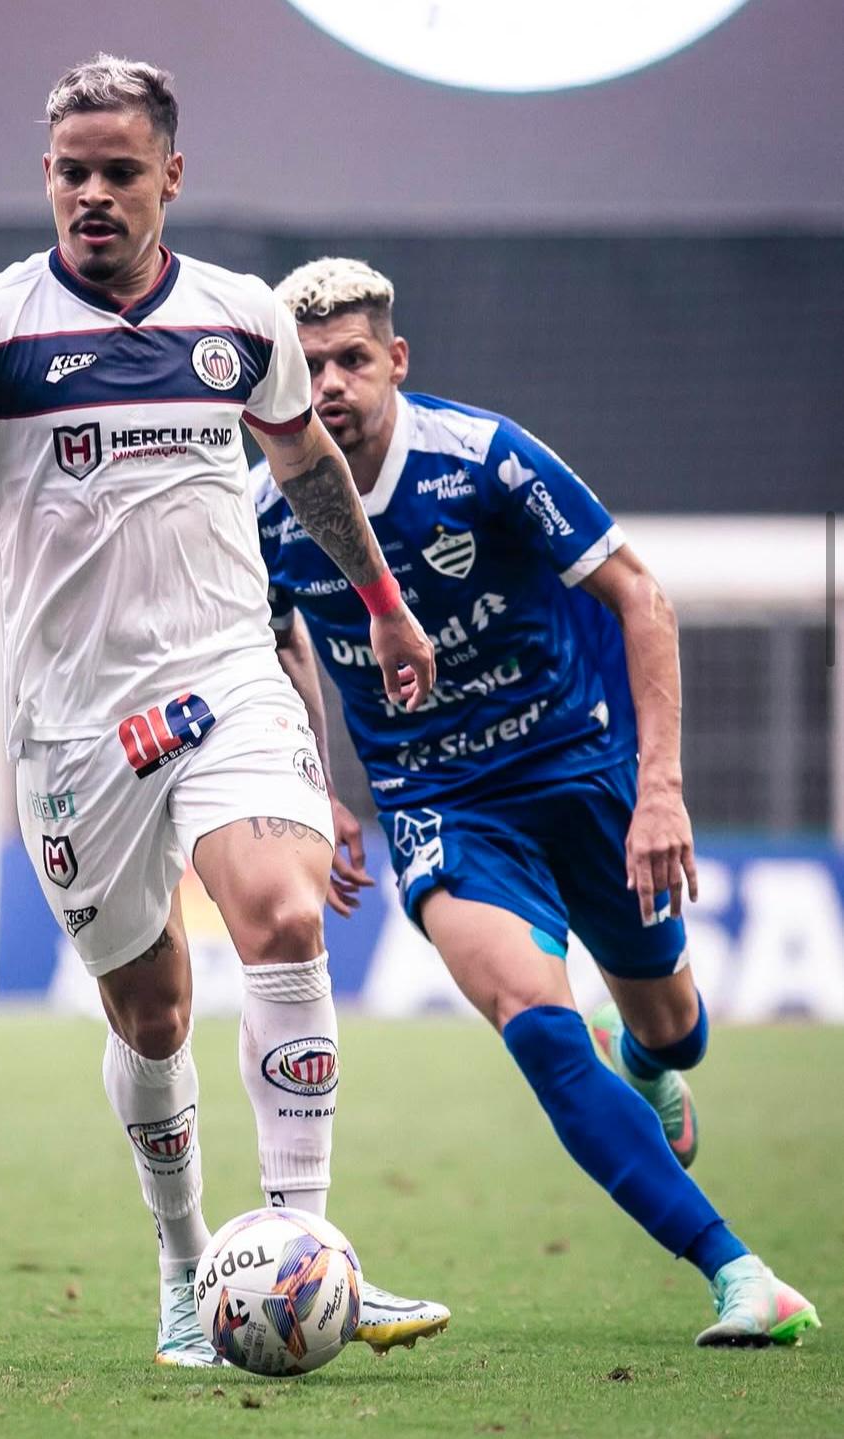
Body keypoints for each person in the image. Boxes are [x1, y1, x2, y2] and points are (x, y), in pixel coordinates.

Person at [0, 59, 448, 1366]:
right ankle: (183, 1267)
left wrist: (385, 603)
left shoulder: (238, 317)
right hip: (73, 724)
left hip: (225, 670)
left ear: (173, 174)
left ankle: (298, 1243)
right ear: (46, 177)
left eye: (120, 170)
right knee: (152, 1010)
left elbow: (308, 465)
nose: (93, 194)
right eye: (71, 171)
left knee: (281, 913)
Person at [254, 256, 820, 1348]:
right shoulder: (266, 510)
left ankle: (649, 1060)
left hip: (582, 767)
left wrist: (660, 787)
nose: (329, 384)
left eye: (352, 360)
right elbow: (278, 643)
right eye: (307, 363)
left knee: (675, 1027)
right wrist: (318, 786)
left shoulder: (485, 456)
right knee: (537, 1024)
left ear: (396, 361)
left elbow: (637, 592)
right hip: (439, 802)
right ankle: (742, 1274)